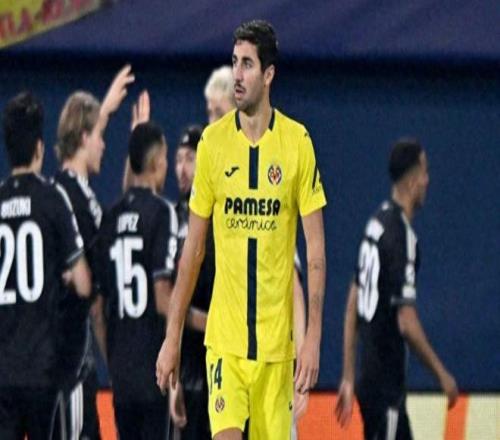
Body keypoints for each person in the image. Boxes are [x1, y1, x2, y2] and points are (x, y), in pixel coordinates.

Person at [156, 20, 327, 440]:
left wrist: (312, 339)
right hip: (225, 346)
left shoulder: (297, 143)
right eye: (234, 62)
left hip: (276, 351)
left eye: (247, 64)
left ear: (268, 74)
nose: (237, 74)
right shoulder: (213, 145)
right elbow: (193, 251)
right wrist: (172, 337)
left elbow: (315, 251)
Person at [335, 138, 459, 440]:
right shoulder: (401, 237)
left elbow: (352, 303)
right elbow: (407, 322)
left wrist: (349, 376)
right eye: (425, 172)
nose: (428, 181)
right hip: (384, 387)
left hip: (371, 381)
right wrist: (442, 374)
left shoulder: (376, 224)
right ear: (413, 181)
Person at [0, 92, 91, 439]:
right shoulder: (52, 198)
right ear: (39, 148)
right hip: (42, 369)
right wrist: (62, 275)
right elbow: (83, 282)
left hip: (3, 370)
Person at [52, 65, 134, 440]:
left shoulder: (59, 191)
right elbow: (96, 302)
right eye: (99, 135)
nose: (104, 145)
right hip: (72, 363)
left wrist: (105, 111)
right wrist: (115, 368)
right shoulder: (78, 201)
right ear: (85, 137)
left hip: (58, 361)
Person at [98, 121, 178, 440]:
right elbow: (162, 297)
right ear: (157, 162)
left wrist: (112, 361)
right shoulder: (162, 213)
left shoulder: (110, 217)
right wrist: (206, 322)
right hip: (154, 368)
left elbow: (97, 308)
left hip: (121, 372)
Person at [169, 125, 214, 439]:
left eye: (189, 159)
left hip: (220, 365)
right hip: (188, 369)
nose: (181, 169)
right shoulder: (172, 218)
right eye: (178, 160)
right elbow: (169, 300)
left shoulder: (220, 218)